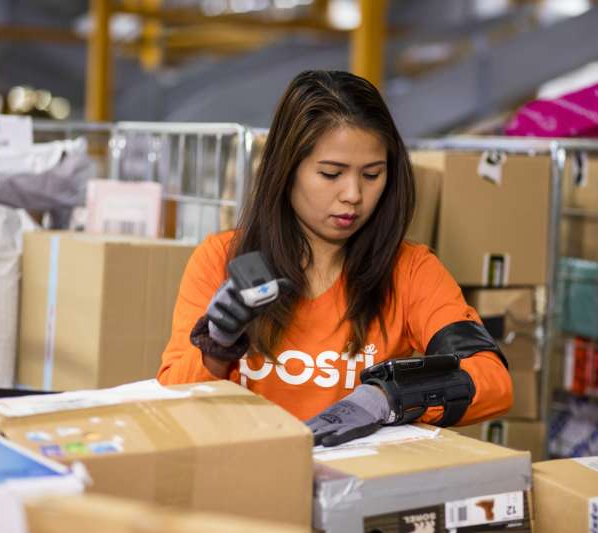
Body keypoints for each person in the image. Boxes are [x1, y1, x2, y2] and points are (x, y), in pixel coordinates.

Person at [158, 70, 513, 446]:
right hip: (245, 482)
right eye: (331, 174)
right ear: (286, 169)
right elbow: (172, 403)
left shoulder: (411, 271)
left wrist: (390, 397)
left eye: (372, 174)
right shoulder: (221, 259)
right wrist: (216, 350)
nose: (353, 195)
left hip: (358, 492)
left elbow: (493, 379)